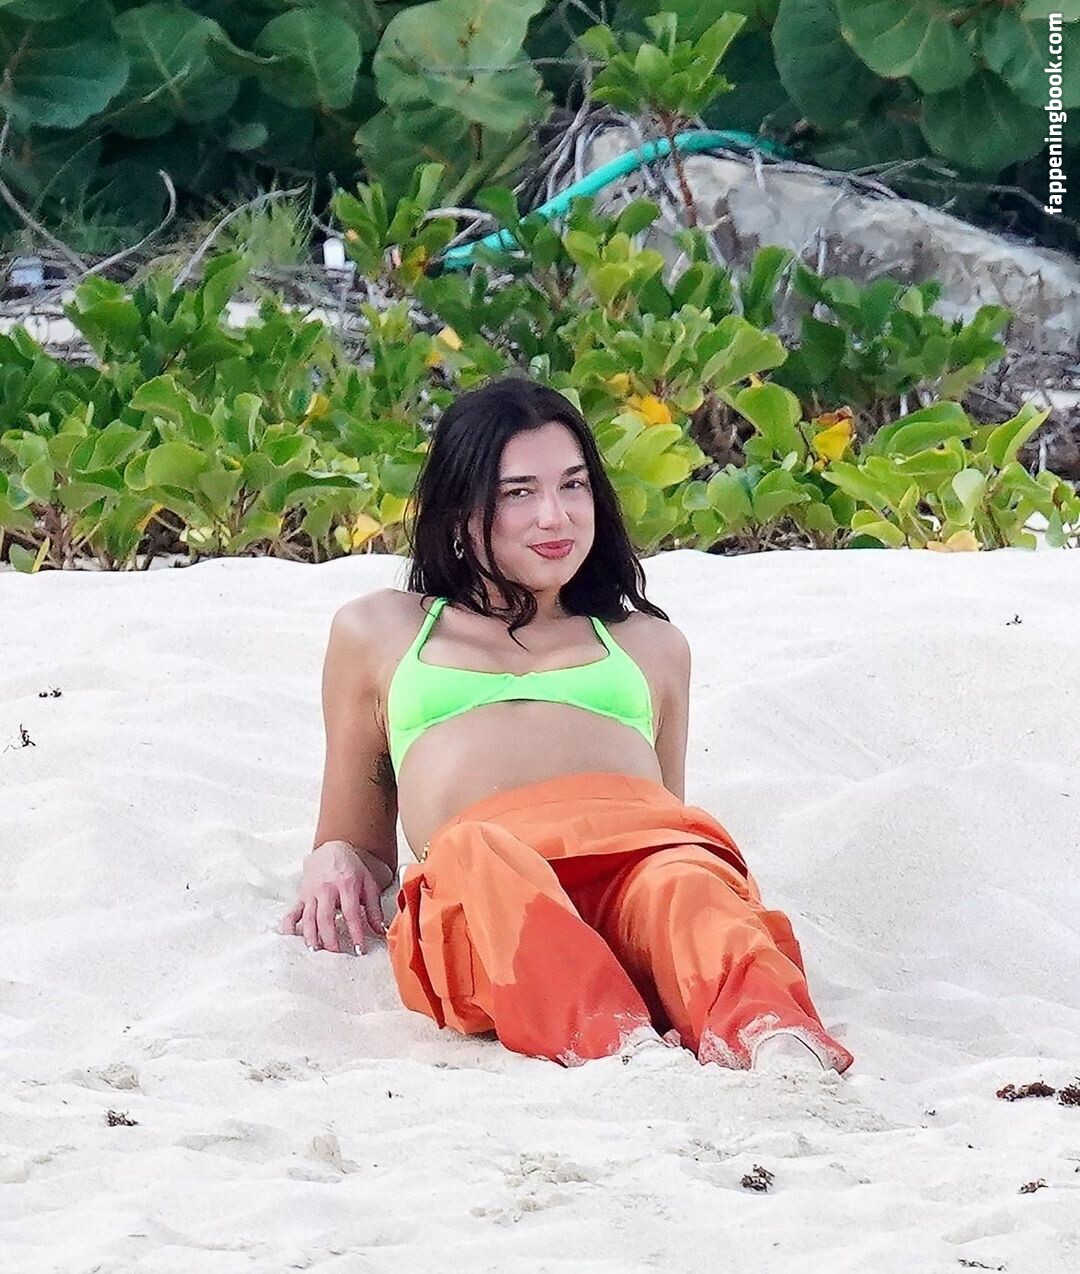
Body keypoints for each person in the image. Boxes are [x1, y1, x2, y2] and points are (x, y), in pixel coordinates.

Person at [280, 375, 855, 1076]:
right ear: (459, 509)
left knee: (686, 880)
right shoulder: (380, 630)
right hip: (487, 882)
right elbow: (357, 839)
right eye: (518, 493)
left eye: (573, 486)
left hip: (633, 859)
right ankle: (618, 1043)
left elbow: (666, 815)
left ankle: (776, 1039)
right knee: (475, 855)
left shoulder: (650, 644)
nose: (555, 518)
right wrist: (333, 855)